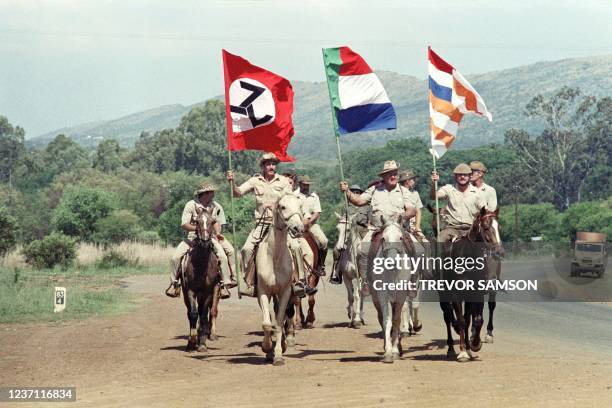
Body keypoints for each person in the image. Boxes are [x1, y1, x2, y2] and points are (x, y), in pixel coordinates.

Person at [340, 161, 416, 296]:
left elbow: (411, 210)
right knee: (362, 250)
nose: (393, 176)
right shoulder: (374, 190)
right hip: (377, 230)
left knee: (418, 249)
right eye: (390, 174)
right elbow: (358, 201)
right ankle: (365, 282)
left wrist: (402, 215)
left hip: (397, 229)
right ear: (384, 176)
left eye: (395, 174)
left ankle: (412, 282)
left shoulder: (404, 191)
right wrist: (347, 192)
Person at [226, 153, 293, 296]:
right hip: (262, 224)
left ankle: (299, 282)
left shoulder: (284, 181)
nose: (271, 167)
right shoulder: (255, 180)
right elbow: (237, 193)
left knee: (297, 247)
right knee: (247, 249)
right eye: (268, 164)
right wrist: (232, 183)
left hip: (281, 226)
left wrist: (275, 204)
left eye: (273, 164)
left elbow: (290, 200)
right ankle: (250, 282)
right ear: (263, 166)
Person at [165, 182, 236, 299]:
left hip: (211, 236)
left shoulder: (215, 206)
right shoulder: (191, 205)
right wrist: (199, 229)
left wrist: (217, 233)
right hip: (192, 236)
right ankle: (174, 284)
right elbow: (184, 224)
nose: (213, 194)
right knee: (175, 257)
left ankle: (226, 283)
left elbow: (216, 222)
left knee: (225, 255)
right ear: (204, 194)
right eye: (210, 192)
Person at [430, 163, 486, 243]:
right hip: (452, 228)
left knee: (487, 243)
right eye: (459, 175)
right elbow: (433, 196)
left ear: (470, 176)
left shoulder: (477, 193)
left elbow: (485, 211)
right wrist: (433, 183)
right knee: (440, 239)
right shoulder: (449, 189)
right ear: (455, 176)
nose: (462, 177)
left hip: (471, 229)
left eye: (465, 175)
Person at [284, 171, 317, 297]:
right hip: (280, 231)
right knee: (250, 248)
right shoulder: (278, 196)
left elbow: (307, 216)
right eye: (286, 183)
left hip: (297, 232)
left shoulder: (298, 198)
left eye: (290, 183)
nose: (289, 185)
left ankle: (303, 281)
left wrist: (301, 224)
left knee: (309, 253)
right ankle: (254, 281)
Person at [329, 184, 370, 284]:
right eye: (354, 192)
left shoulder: (367, 206)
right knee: (336, 249)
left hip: (363, 229)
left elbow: (370, 221)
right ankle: (336, 272)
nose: (356, 194)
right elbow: (343, 219)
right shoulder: (346, 206)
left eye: (358, 192)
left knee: (370, 247)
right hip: (349, 230)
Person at [296, 175, 328, 276]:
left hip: (311, 225)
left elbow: (317, 212)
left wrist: (309, 221)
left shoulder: (314, 196)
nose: (307, 187)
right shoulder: (293, 195)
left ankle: (321, 265)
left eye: (308, 185)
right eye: (305, 185)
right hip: (296, 224)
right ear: (300, 184)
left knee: (324, 241)